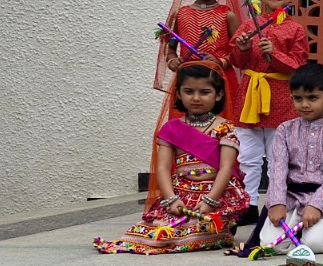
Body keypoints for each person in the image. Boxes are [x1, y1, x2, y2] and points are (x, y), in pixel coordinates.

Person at [94, 61, 250, 254]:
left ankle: (217, 231)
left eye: (204, 92)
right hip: (180, 195)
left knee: (197, 231)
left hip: (214, 196)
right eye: (189, 91)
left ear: (218, 95)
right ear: (178, 94)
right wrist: (171, 199)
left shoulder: (225, 128)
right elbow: (163, 168)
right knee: (153, 231)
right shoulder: (171, 128)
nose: (196, 98)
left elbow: (226, 167)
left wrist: (210, 200)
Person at [232, 0, 310, 207]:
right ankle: (248, 204)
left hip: (281, 99)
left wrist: (274, 54)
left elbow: (299, 66)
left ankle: (276, 203)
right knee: (248, 156)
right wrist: (243, 48)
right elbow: (236, 61)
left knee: (279, 158)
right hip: (250, 97)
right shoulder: (248, 26)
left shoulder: (296, 30)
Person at [256, 61, 323, 255]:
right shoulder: (284, 130)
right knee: (270, 245)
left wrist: (316, 205)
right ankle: (302, 230)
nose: (305, 104)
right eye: (298, 98)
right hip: (289, 197)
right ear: (291, 98)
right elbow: (277, 169)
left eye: (312, 98)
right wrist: (277, 203)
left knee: (315, 245)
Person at [157, 0, 247, 120]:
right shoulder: (180, 15)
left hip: (219, 80)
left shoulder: (227, 16)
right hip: (188, 80)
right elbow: (170, 48)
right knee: (185, 127)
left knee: (221, 127)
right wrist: (172, 61)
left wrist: (221, 61)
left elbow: (239, 52)